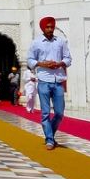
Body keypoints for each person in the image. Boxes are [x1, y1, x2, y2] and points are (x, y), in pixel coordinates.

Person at [27, 16, 72, 150]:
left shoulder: (61, 41)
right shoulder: (36, 43)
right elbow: (29, 60)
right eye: (47, 27)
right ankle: (50, 139)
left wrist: (60, 63)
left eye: (52, 27)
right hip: (44, 80)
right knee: (45, 113)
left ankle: (50, 134)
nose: (50, 29)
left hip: (58, 80)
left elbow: (68, 58)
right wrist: (42, 63)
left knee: (59, 113)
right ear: (43, 28)